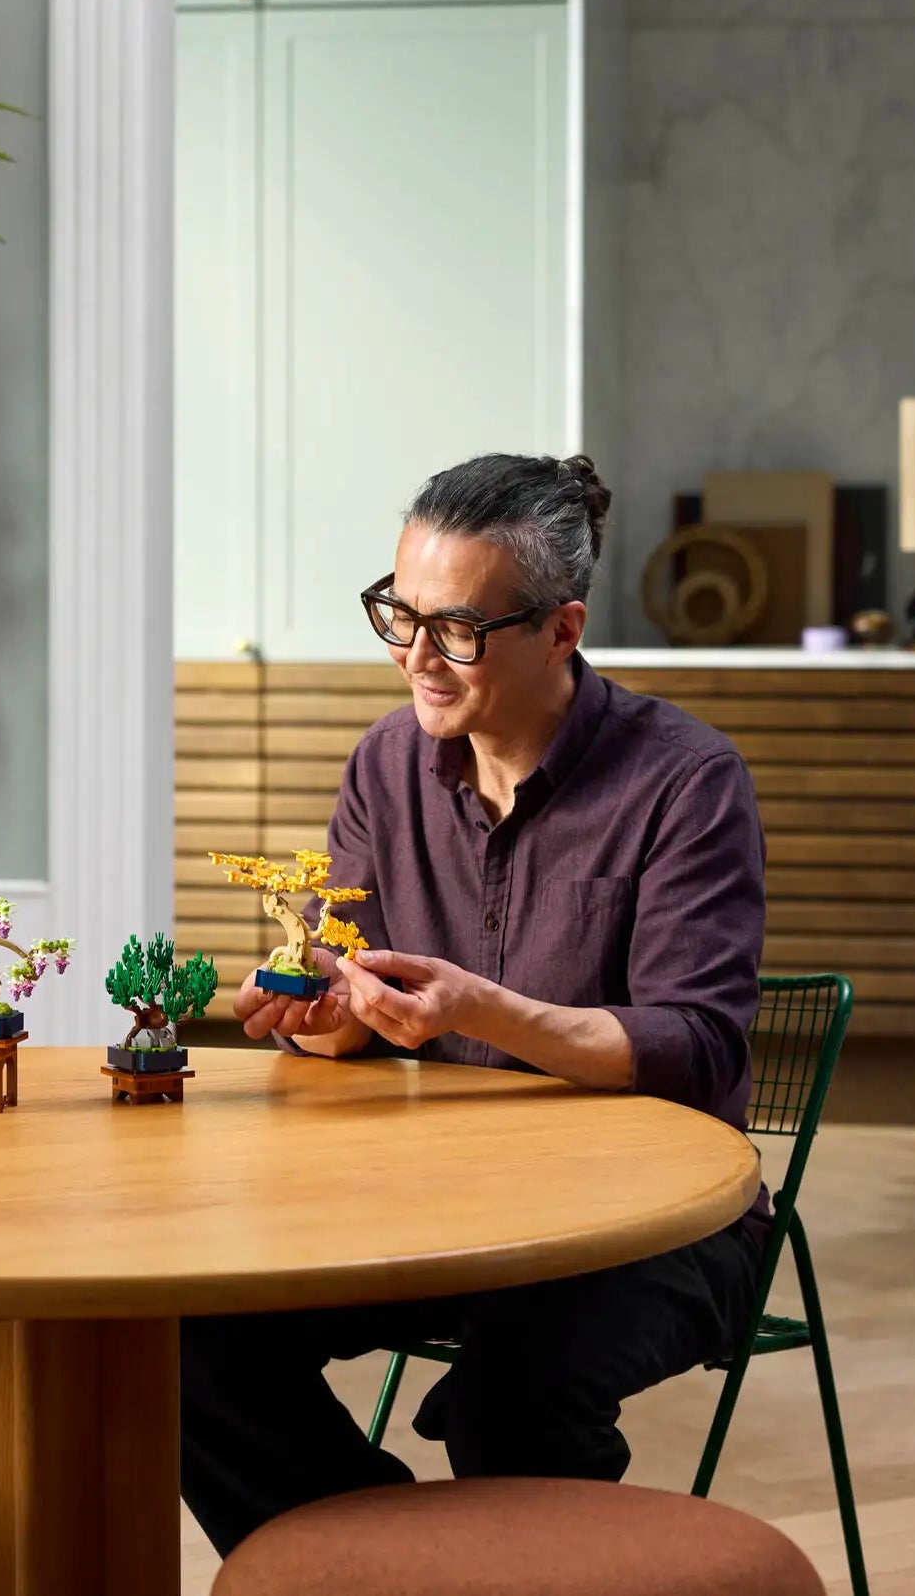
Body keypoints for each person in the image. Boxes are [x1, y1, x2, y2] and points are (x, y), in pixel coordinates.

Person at [179, 452, 771, 1558]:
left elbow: (696, 1048)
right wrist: (334, 1017)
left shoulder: (687, 782)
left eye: (455, 630)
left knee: (517, 1392)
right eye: (399, 616)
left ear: (561, 629)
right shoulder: (383, 770)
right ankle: (381, 1575)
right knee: (179, 1341)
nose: (414, 658)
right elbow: (357, 998)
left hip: (655, 1227)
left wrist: (485, 1009)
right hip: (435, 1211)